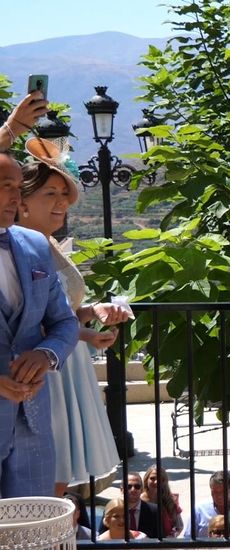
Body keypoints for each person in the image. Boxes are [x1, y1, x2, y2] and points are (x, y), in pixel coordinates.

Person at [16, 152, 129, 496]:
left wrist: (91, 314)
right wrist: (82, 333)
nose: (61, 203)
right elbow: (28, 323)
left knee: (57, 480)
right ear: (22, 202)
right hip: (46, 370)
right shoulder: (19, 250)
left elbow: (59, 313)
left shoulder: (47, 244)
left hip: (66, 365)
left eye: (64, 195)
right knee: (46, 479)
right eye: (50, 194)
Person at [0, 152, 78, 497]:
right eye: (6, 187)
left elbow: (64, 322)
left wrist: (47, 355)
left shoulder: (33, 246)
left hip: (32, 424)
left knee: (32, 535)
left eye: (18, 187)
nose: (16, 197)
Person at [97, 473, 160, 538]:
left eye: (137, 486)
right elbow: (102, 536)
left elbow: (160, 540)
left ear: (141, 490)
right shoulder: (112, 509)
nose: (133, 490)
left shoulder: (154, 511)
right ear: (122, 490)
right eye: (128, 486)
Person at [186, 470, 230, 538]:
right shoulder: (199, 510)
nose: (219, 496)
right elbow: (188, 538)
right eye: (215, 492)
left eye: (223, 492)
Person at [141, 464, 183, 538]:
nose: (156, 482)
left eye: (160, 479)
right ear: (146, 480)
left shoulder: (170, 500)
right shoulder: (137, 501)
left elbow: (179, 526)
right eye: (152, 478)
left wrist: (170, 537)